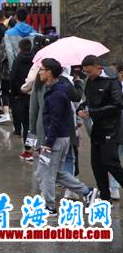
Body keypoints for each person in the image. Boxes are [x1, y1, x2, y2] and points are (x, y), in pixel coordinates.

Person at [35, 58, 97, 214]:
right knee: (56, 173)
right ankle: (87, 191)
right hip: (61, 138)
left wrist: (48, 142)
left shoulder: (57, 93)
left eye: (42, 69)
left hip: (55, 140)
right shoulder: (59, 89)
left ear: (49, 73)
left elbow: (55, 120)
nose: (40, 72)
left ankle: (50, 206)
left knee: (46, 173)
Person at [77, 55, 123, 201]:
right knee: (96, 164)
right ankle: (104, 196)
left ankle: (112, 190)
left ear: (98, 67)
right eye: (85, 72)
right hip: (97, 128)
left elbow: (117, 105)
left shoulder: (112, 82)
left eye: (89, 72)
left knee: (110, 161)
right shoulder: (90, 82)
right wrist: (81, 107)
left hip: (112, 128)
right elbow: (87, 101)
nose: (88, 75)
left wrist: (94, 111)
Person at [9, 39, 34, 161]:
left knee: (25, 124)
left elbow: (13, 77)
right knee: (32, 124)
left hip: (21, 95)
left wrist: (14, 94)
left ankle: (28, 150)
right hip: (33, 95)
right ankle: (33, 147)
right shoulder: (36, 60)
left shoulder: (18, 60)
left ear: (20, 48)